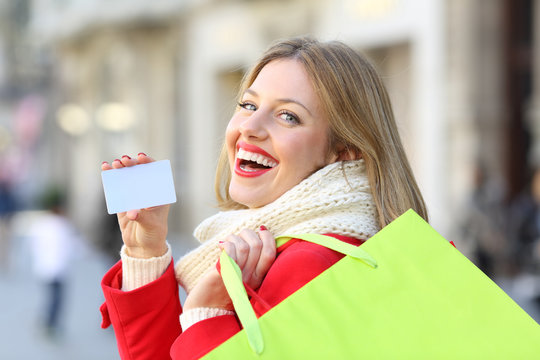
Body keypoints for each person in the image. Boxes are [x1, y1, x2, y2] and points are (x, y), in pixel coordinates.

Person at [100, 37, 428, 359]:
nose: (250, 127)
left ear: (342, 152)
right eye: (248, 105)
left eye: (288, 116)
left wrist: (207, 315)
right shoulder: (309, 245)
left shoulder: (309, 265)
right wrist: (145, 251)